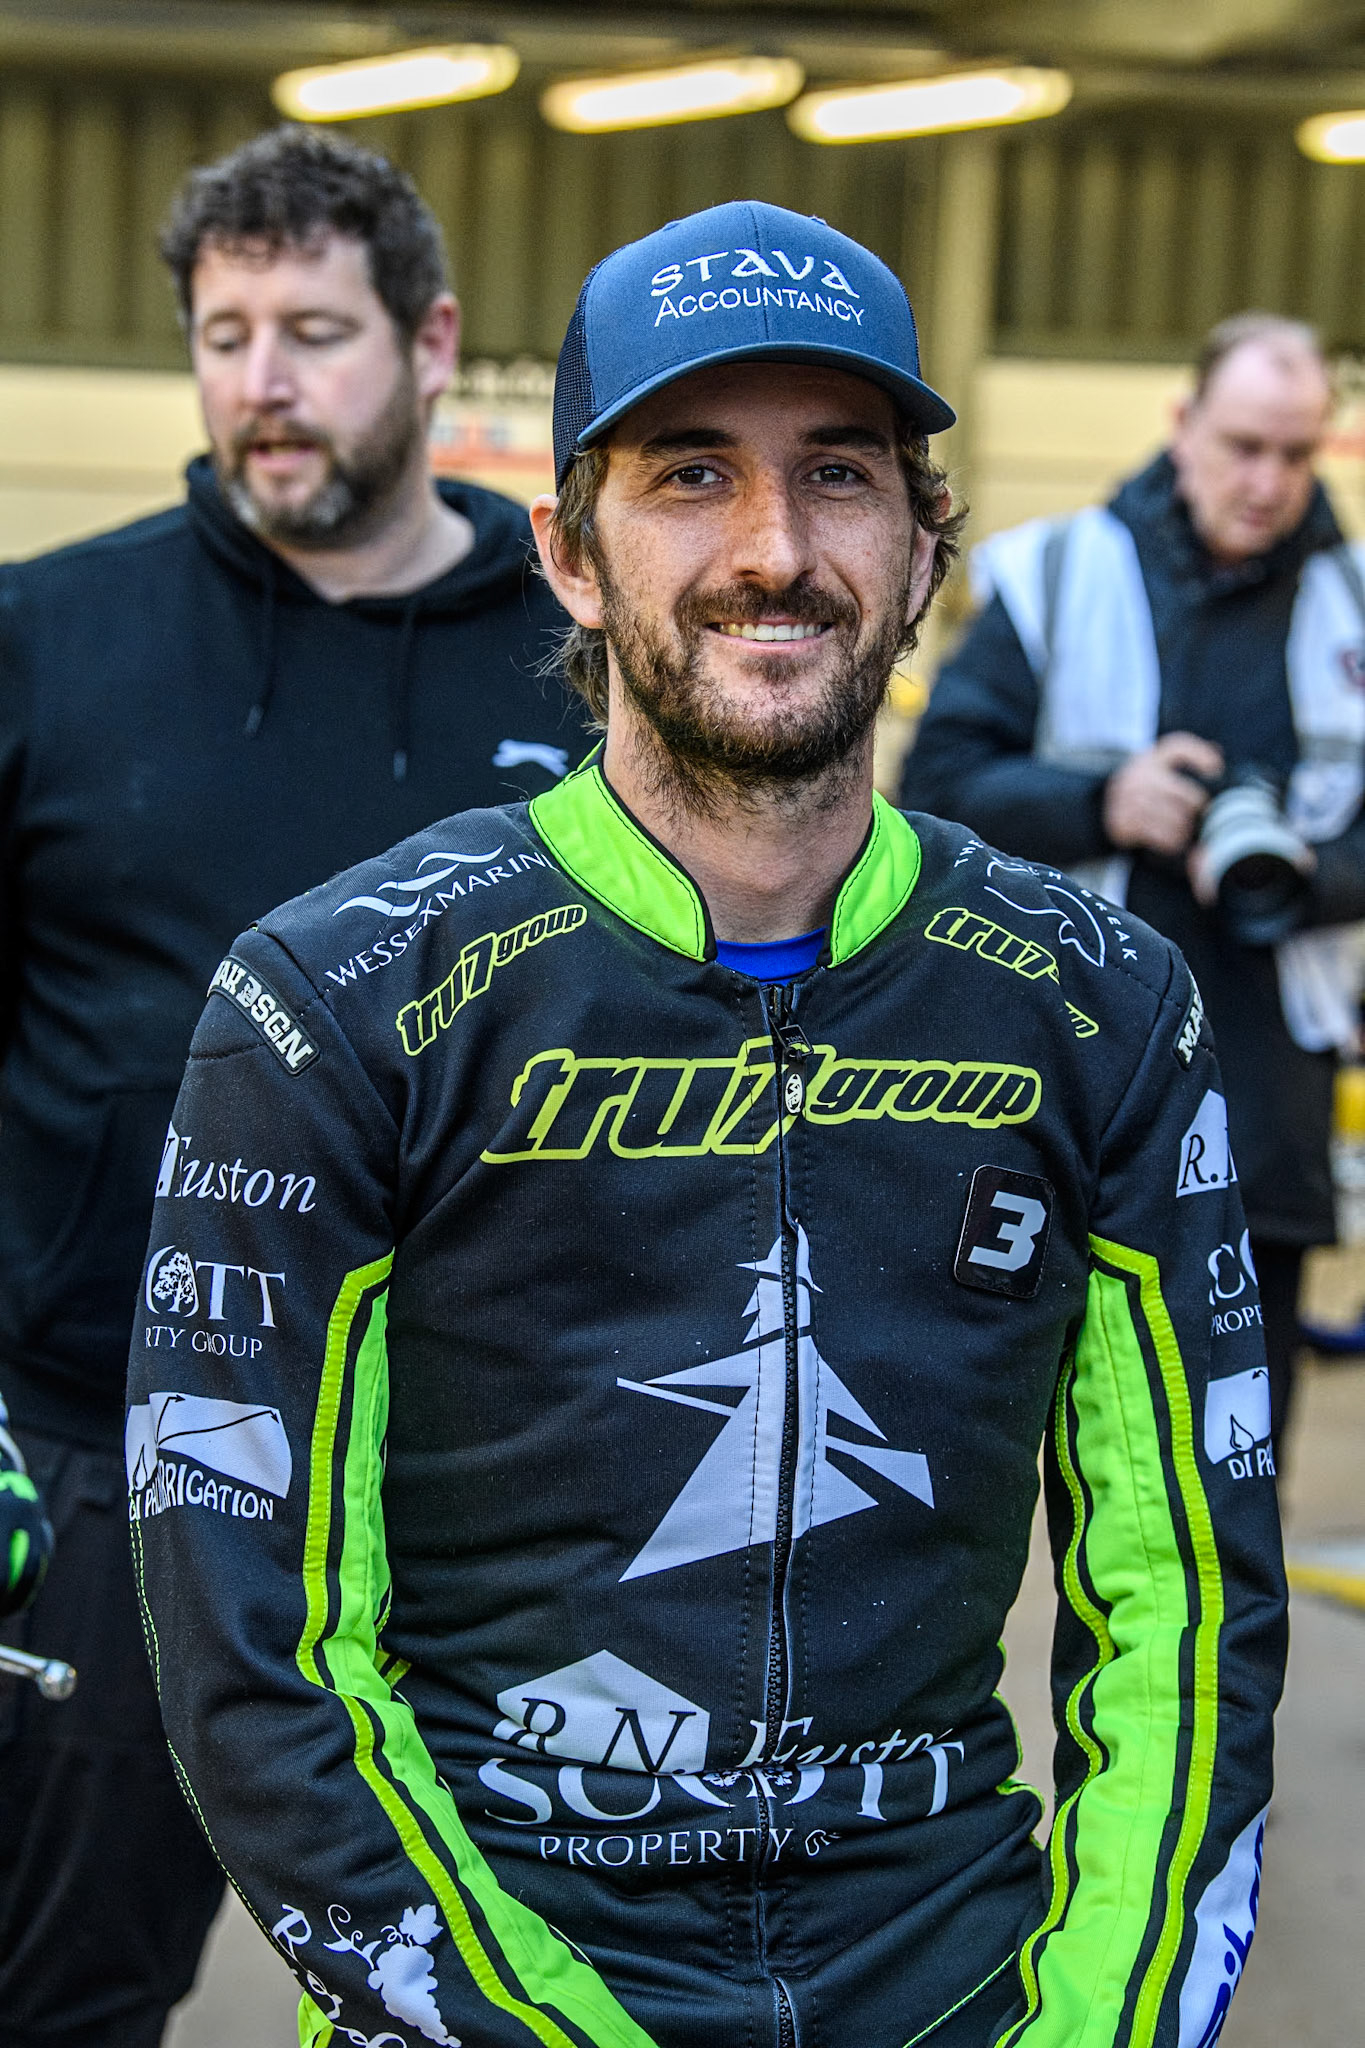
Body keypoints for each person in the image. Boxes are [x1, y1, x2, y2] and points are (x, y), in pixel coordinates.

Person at [127, 202, 1286, 2048]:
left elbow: (1190, 1609)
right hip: (512, 1959)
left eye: (839, 473)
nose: (774, 550)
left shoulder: (1100, 1002)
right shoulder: (333, 997)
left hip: (956, 1973)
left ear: (926, 546)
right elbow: (256, 1647)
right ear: (568, 554)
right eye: (689, 475)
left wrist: (1098, 2023)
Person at [0, 124, 584, 2047]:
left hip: (495, 1484)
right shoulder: (45, 640)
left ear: (433, 344)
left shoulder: (589, 662)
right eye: (224, 332)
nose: (263, 379)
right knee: (58, 1993)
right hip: (114, 1455)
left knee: (532, 1998)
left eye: (314, 332)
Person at [902, 314, 1365, 1465]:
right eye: (1245, 445)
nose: (1269, 482)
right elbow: (937, 786)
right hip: (1067, 1064)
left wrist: (1309, 875)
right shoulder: (1060, 574)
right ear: (1183, 423)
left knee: (1234, 1449)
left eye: (1297, 452)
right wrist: (1104, 802)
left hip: (1265, 1086)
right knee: (1020, 1430)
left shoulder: (1354, 601)